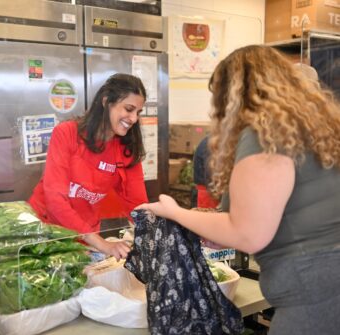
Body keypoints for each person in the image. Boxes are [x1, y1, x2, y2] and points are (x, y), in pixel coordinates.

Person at [137, 45, 340, 334]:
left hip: (313, 294)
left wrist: (175, 213)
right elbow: (275, 215)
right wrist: (221, 232)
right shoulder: (316, 129)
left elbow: (249, 233)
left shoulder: (265, 133)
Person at [29, 73, 148, 261]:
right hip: (45, 232)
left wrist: (152, 238)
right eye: (129, 109)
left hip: (85, 238)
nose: (133, 118)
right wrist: (103, 244)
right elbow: (55, 200)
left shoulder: (127, 149)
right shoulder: (67, 133)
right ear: (107, 101)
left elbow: (137, 204)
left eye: (138, 112)